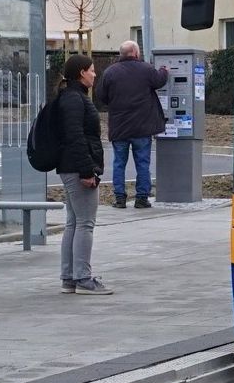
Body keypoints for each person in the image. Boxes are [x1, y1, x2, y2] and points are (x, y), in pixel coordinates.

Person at [56, 54, 111, 295]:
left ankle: (69, 277)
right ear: (81, 73)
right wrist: (87, 171)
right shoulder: (75, 100)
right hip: (78, 169)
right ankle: (83, 278)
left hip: (70, 167)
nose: (95, 74)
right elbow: (77, 138)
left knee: (74, 222)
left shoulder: (69, 97)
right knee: (85, 224)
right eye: (91, 70)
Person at [99, 41, 168, 209]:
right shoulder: (146, 69)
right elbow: (159, 81)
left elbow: (101, 96)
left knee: (118, 163)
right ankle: (141, 198)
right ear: (136, 53)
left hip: (119, 127)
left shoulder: (110, 72)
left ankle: (120, 198)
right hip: (142, 127)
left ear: (121, 54)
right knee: (143, 163)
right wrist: (164, 71)